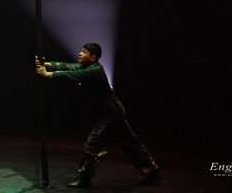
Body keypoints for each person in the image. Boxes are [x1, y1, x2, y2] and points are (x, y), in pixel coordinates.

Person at [35, 43, 162, 188]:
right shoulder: (85, 66)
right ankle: (153, 172)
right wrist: (46, 64)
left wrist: (47, 74)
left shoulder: (95, 71)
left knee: (93, 143)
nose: (80, 53)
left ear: (93, 57)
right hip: (112, 112)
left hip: (111, 114)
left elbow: (71, 75)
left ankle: (84, 178)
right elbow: (67, 66)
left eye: (84, 52)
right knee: (130, 143)